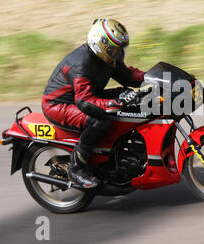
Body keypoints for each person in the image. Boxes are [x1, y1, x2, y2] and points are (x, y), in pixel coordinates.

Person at [42, 18, 145, 188]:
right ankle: (77, 168)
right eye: (115, 48)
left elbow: (127, 76)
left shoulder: (108, 58)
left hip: (85, 96)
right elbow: (84, 101)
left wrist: (156, 77)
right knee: (100, 120)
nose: (119, 53)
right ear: (101, 45)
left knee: (129, 96)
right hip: (59, 105)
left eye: (121, 49)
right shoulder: (81, 64)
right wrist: (113, 104)